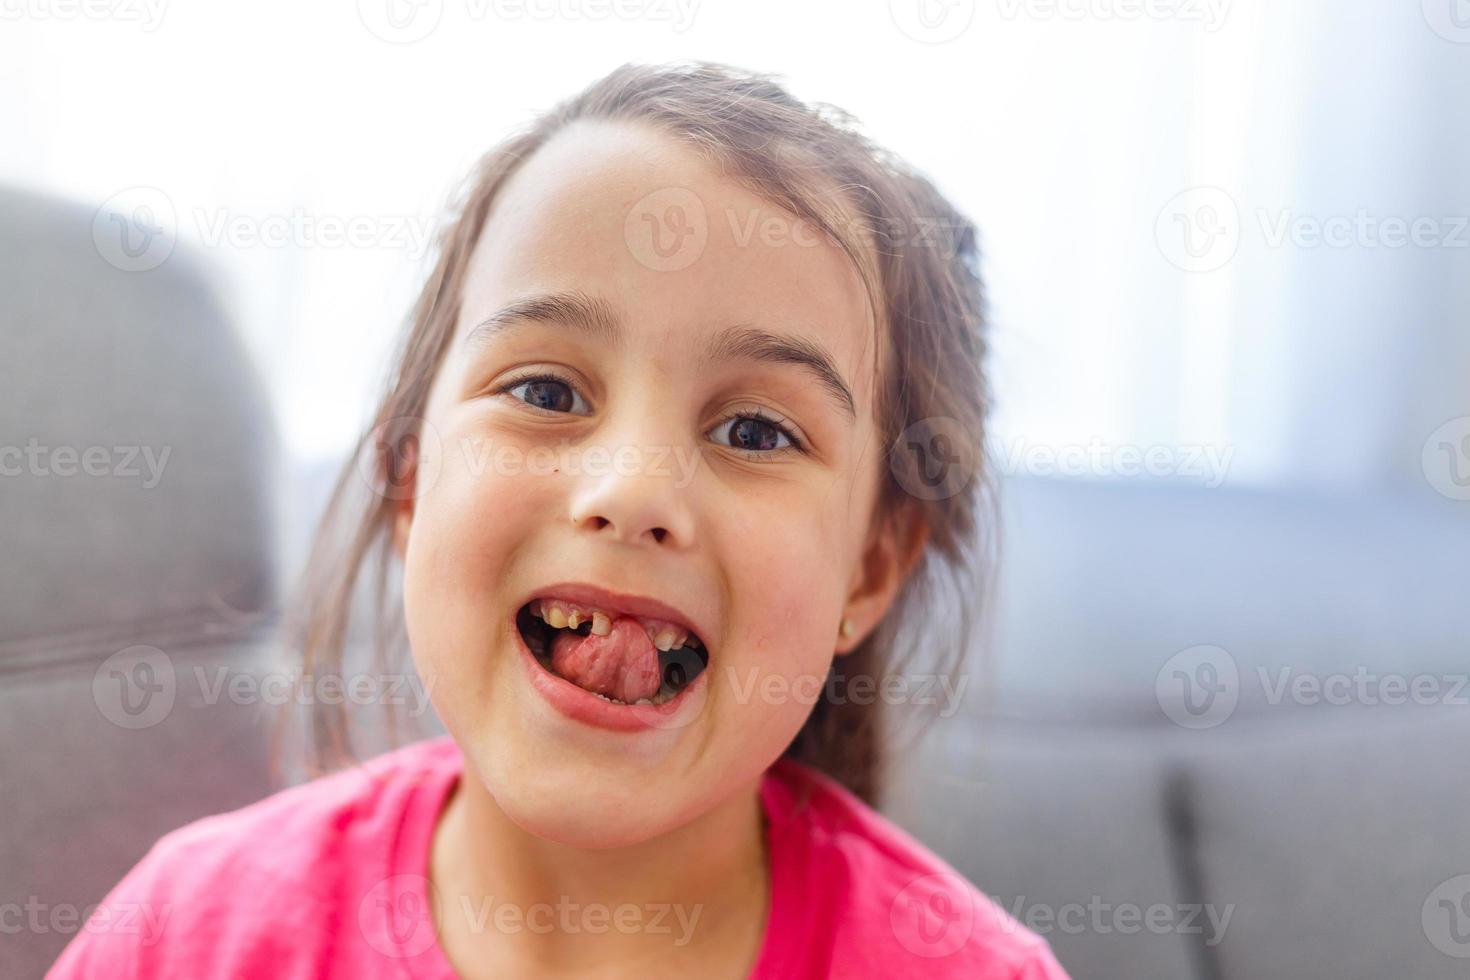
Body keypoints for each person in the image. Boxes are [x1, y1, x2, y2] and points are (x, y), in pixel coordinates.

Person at [50, 61, 1069, 979]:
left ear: (869, 567)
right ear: (409, 478)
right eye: (544, 390)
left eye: (755, 430)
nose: (631, 489)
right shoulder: (186, 935)